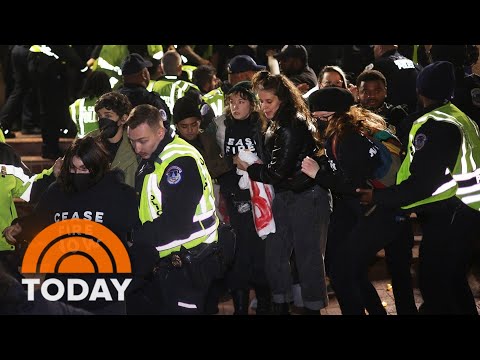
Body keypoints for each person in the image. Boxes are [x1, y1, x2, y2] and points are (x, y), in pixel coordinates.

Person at [357, 61, 480, 314]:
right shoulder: (459, 117)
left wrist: (380, 196)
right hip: (467, 211)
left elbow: (425, 183)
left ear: (420, 90)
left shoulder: (436, 125)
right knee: (455, 281)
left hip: (452, 215)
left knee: (435, 284)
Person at [302, 87, 416, 315]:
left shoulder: (348, 139)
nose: (315, 123)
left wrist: (318, 174)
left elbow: (354, 186)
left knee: (343, 272)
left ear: (330, 115)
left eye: (318, 118)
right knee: (346, 270)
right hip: (371, 212)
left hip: (380, 213)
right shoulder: (344, 133)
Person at [3, 136, 138, 314]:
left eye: (84, 169)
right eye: (73, 168)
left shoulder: (120, 194)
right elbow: (40, 222)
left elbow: (132, 232)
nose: (78, 174)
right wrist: (20, 227)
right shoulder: (57, 192)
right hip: (62, 288)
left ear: (97, 167)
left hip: (106, 288)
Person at [234, 71, 332, 315]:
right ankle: (281, 303)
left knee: (307, 258)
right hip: (289, 194)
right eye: (261, 101)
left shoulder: (290, 123)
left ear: (283, 99)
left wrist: (250, 167)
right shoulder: (279, 121)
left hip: (307, 196)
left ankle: (311, 308)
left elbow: (277, 172)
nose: (264, 107)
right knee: (276, 254)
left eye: (269, 101)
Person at [126, 104, 222, 315]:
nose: (137, 148)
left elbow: (178, 224)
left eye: (142, 141)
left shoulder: (179, 162)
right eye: (132, 141)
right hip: (164, 256)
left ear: (160, 132)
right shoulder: (153, 155)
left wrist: (136, 237)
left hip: (188, 261)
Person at [92, 91, 137, 187]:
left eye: (108, 115)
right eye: (100, 116)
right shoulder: (89, 142)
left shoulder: (135, 145)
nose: (102, 120)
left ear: (124, 119)